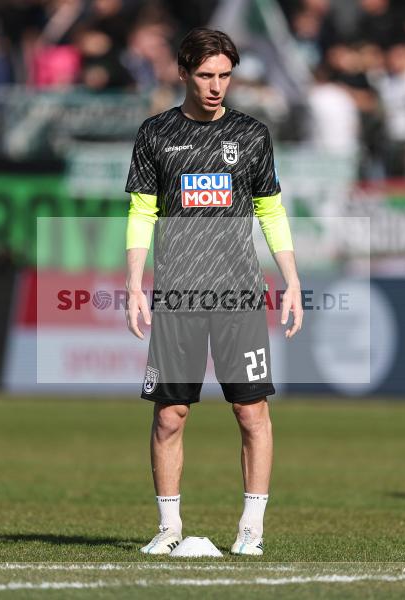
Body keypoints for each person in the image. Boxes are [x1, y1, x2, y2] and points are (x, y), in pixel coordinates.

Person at [124, 27, 303, 556]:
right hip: (178, 294)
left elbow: (270, 209)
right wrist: (134, 283)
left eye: (225, 75)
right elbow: (141, 210)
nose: (216, 86)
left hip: (239, 294)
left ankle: (252, 529)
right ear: (183, 73)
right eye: (205, 75)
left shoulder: (251, 135)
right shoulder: (155, 134)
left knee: (252, 413)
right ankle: (169, 527)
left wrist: (292, 280)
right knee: (170, 414)